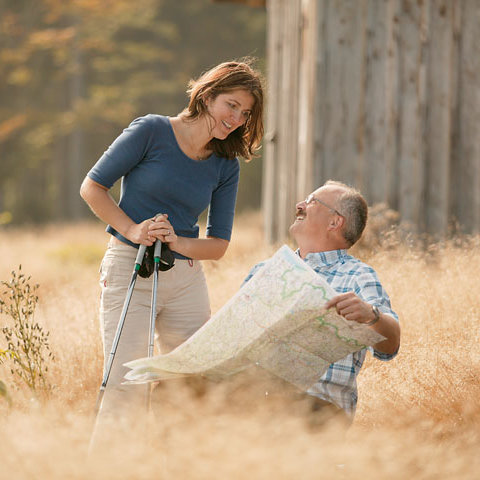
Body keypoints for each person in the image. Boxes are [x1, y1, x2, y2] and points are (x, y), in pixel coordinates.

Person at [80, 59, 264, 430]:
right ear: (208, 95)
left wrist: (177, 240)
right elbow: (92, 187)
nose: (236, 118)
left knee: (194, 383)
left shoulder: (226, 163)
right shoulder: (152, 131)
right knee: (125, 386)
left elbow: (218, 245)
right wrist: (133, 230)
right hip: (131, 266)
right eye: (232, 105)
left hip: (186, 281)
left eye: (245, 113)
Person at [244, 180, 400, 426]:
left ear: (334, 222)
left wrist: (372, 316)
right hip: (254, 397)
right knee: (175, 388)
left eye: (311, 201)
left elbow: (389, 347)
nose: (299, 205)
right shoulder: (264, 271)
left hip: (316, 407)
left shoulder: (358, 276)